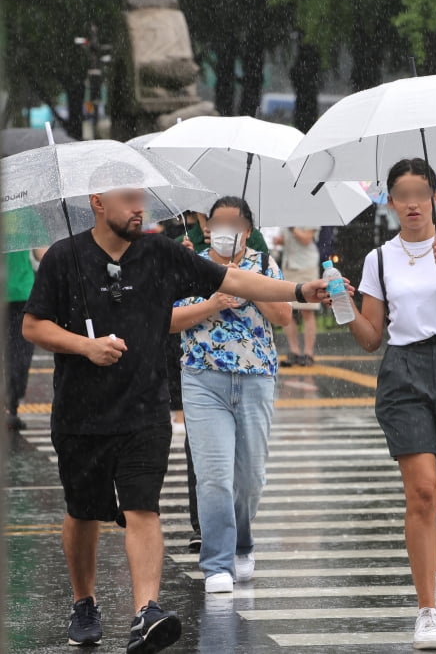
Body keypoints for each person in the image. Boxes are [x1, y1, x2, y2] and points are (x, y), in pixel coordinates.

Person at [22, 166, 335, 652]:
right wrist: (84, 347)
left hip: (146, 408)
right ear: (98, 202)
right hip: (81, 412)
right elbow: (33, 327)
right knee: (83, 513)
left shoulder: (160, 253)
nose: (139, 205)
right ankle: (84, 602)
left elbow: (233, 278)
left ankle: (145, 611)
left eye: (141, 195)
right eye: (128, 197)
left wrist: (298, 291)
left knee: (142, 508)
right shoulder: (65, 258)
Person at [344, 158, 436, 650]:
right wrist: (342, 307)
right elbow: (370, 338)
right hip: (404, 371)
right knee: (424, 493)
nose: (411, 203)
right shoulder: (379, 259)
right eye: (401, 194)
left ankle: (433, 565)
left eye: (420, 193)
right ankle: (427, 609)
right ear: (390, 202)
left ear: (435, 198)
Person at [171, 196, 291, 594]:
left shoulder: (262, 263)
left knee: (250, 477)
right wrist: (212, 302)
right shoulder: (190, 261)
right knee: (214, 477)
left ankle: (242, 539)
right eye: (216, 221)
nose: (223, 229)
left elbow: (283, 316)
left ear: (247, 228)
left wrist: (247, 284)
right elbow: (170, 320)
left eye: (232, 222)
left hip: (256, 378)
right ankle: (217, 561)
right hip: (204, 378)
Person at [7, 248, 43, 431]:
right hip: (21, 291)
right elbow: (42, 254)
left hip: (17, 293)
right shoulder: (28, 219)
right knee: (19, 353)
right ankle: (10, 407)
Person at [280, 226, 321, 366]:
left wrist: (292, 228)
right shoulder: (283, 216)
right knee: (288, 310)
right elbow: (283, 240)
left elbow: (306, 239)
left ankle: (308, 353)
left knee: (307, 310)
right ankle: (294, 351)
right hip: (288, 265)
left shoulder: (309, 212)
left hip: (306, 266)